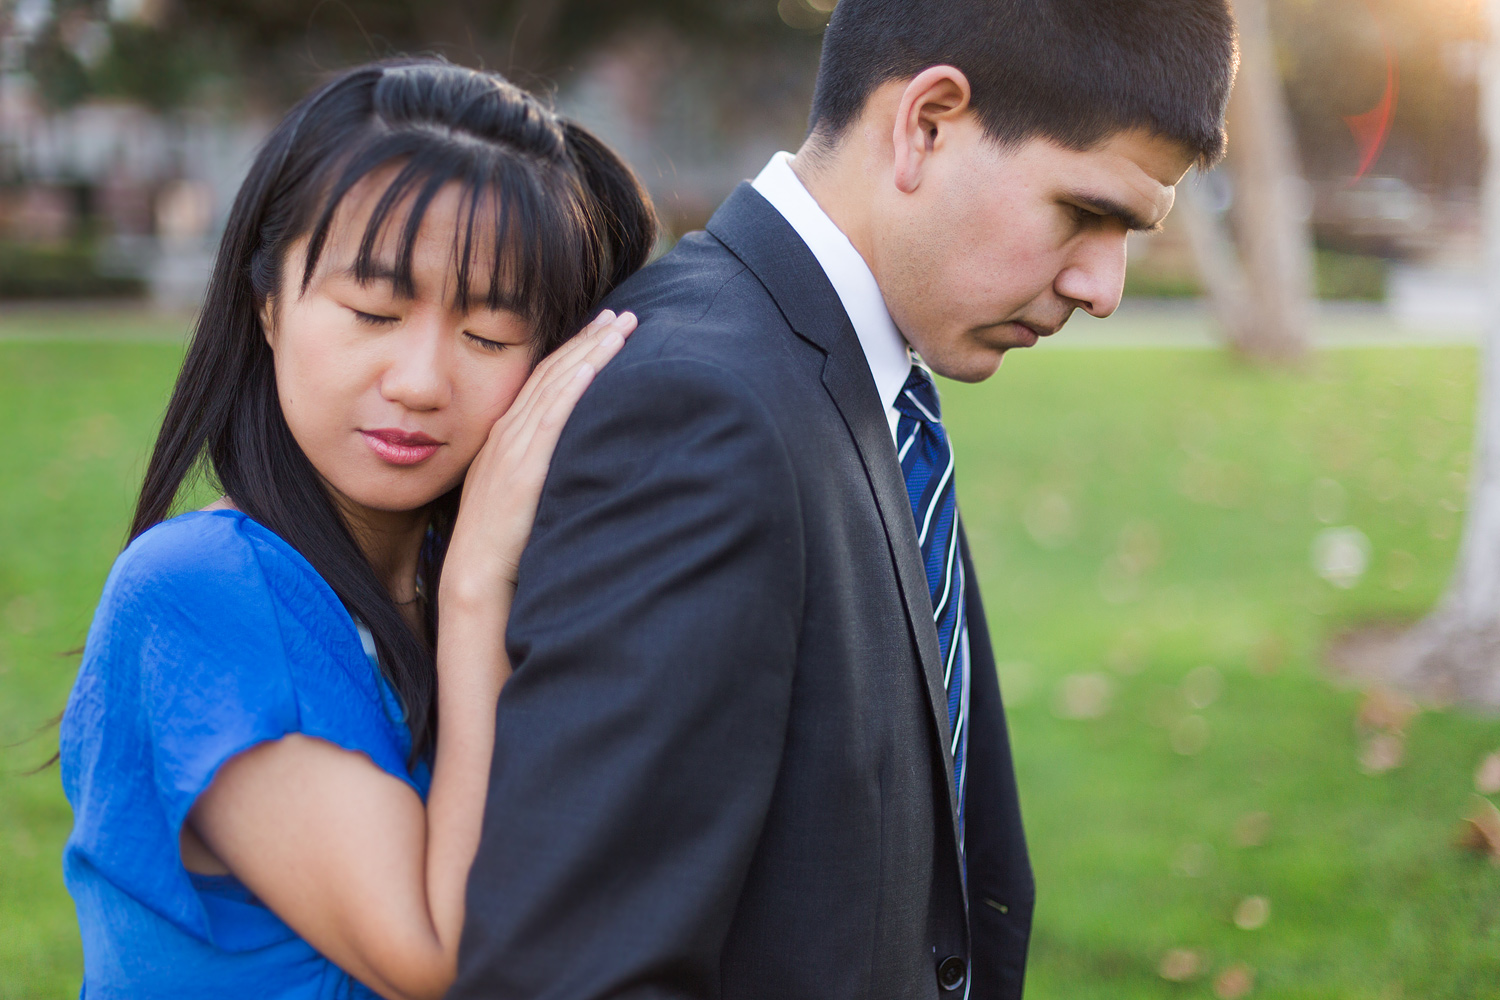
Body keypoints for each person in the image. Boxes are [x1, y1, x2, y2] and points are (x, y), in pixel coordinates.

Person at [449, 1, 1238, 998]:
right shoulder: (699, 411)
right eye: (1086, 212)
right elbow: (579, 969)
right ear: (928, 123)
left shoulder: (843, 373)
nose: (1104, 285)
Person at [58, 59, 655, 999]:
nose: (420, 381)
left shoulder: (468, 575)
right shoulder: (194, 588)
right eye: (374, 310)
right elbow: (445, 959)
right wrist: (472, 593)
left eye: (490, 336)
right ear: (267, 304)